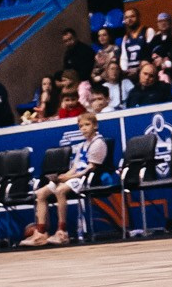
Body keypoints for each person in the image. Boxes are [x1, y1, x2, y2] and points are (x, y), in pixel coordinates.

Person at [22, 103, 110, 246]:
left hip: (86, 178)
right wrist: (61, 177)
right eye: (81, 126)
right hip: (75, 177)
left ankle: (62, 232)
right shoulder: (82, 145)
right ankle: (41, 233)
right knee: (41, 193)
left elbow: (90, 169)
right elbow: (75, 167)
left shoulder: (98, 143)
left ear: (95, 126)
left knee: (60, 190)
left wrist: (68, 178)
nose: (83, 128)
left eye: (87, 125)